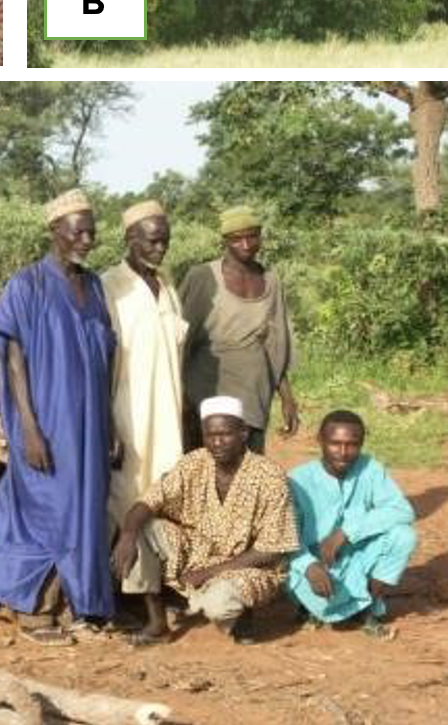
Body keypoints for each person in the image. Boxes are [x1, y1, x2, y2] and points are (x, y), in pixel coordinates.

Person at [0, 189, 118, 645]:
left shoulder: (93, 285)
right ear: (55, 231)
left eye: (91, 230)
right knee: (43, 508)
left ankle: (80, 603)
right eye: (77, 230)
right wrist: (29, 429)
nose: (87, 239)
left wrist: (110, 423)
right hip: (46, 422)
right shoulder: (27, 283)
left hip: (90, 423)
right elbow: (13, 358)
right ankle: (34, 608)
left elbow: (104, 358)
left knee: (84, 509)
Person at [110, 396, 301, 645]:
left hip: (247, 565)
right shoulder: (195, 462)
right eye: (210, 435)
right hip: (197, 550)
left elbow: (271, 551)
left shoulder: (269, 476)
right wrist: (127, 535)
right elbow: (149, 500)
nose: (217, 442)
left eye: (225, 434)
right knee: (144, 528)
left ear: (243, 433)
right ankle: (157, 622)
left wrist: (208, 573)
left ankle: (242, 615)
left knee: (219, 605)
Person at [101, 200, 187, 609]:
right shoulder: (110, 286)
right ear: (130, 240)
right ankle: (123, 593)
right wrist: (109, 426)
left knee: (164, 494)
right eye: (153, 241)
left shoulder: (166, 283)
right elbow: (101, 363)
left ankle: (155, 584)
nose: (160, 249)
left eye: (165, 241)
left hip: (168, 414)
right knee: (126, 499)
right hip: (128, 414)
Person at [288, 410, 417, 640]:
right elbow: (283, 537)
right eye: (335, 444)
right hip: (315, 568)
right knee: (321, 593)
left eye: (352, 444)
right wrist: (309, 566)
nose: (344, 452)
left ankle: (366, 607)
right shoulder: (297, 480)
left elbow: (402, 510)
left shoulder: (371, 469)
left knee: (404, 536)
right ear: (320, 441)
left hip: (356, 558)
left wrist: (346, 532)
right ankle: (318, 607)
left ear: (362, 443)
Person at [179, 206, 299, 452]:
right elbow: (182, 341)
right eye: (236, 239)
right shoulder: (203, 277)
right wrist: (183, 399)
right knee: (206, 463)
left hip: (254, 390)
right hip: (206, 386)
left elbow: (277, 346)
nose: (246, 245)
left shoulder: (271, 280)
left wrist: (287, 397)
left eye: (252, 236)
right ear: (225, 241)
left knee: (249, 463)